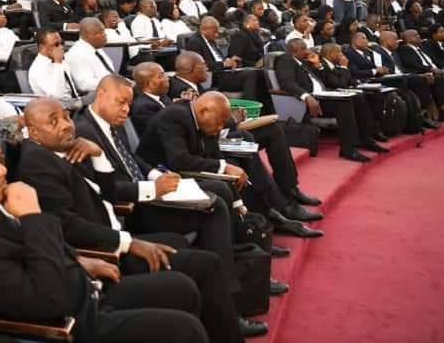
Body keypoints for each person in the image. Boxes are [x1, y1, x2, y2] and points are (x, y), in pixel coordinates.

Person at [0, 128, 210, 343]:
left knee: (181, 288)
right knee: (185, 330)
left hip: (86, 288)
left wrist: (80, 260)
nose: (3, 170)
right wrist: (33, 217)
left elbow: (31, 249)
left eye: (1, 161)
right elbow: (47, 300)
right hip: (72, 323)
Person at [19, 97, 262, 340]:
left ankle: (224, 316)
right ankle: (229, 329)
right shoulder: (38, 162)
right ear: (34, 132)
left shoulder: (66, 149)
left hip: (114, 236)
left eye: (66, 116)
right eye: (54, 121)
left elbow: (109, 192)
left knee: (184, 244)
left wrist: (98, 155)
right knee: (205, 265)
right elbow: (68, 226)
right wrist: (128, 243)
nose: (65, 124)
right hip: (104, 253)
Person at [136, 89, 324, 237]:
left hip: (184, 168)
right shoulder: (174, 117)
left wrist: (227, 165)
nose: (219, 128)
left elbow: (211, 152)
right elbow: (178, 160)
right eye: (218, 123)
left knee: (241, 162)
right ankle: (257, 225)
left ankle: (269, 214)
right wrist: (224, 167)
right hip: (164, 175)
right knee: (230, 171)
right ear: (203, 111)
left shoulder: (203, 119)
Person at [276, 38, 378, 161]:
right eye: (304, 48)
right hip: (308, 101)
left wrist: (318, 66)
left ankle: (366, 139)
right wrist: (306, 96)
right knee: (344, 103)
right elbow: (287, 83)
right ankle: (348, 149)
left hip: (323, 96)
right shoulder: (285, 60)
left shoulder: (303, 63)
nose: (308, 51)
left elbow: (323, 80)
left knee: (357, 97)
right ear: (293, 51)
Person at [186, 16, 261, 100]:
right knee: (250, 75)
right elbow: (201, 66)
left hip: (223, 72)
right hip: (214, 77)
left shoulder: (210, 40)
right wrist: (223, 64)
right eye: (214, 32)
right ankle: (250, 108)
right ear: (204, 30)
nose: (217, 35)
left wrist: (229, 60)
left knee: (257, 72)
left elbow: (218, 58)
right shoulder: (194, 43)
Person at [64, 18, 117, 94]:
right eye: (101, 32)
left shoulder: (96, 48)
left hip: (112, 88)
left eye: (104, 31)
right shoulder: (77, 54)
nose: (104, 35)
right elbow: (84, 85)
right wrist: (112, 82)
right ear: (89, 35)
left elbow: (110, 72)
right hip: (98, 94)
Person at [28, 28, 81, 99]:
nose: (61, 47)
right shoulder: (37, 69)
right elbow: (57, 96)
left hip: (75, 101)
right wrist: (58, 63)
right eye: (56, 45)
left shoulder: (60, 60)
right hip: (58, 106)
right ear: (42, 48)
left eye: (61, 43)